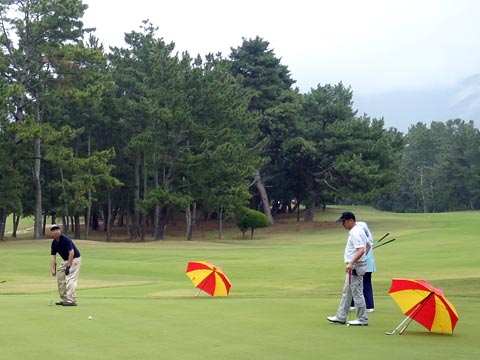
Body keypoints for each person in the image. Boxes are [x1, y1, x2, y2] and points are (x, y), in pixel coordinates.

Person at [327, 211, 369, 326]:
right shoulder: (359, 230)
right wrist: (361, 258)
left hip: (355, 267)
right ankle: (341, 317)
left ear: (351, 221)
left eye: (344, 222)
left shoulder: (355, 232)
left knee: (357, 293)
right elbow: (368, 246)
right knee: (347, 292)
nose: (343, 225)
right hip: (357, 265)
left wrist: (351, 262)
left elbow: (361, 249)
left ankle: (362, 319)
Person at [50, 224, 82, 306]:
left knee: (70, 278)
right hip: (65, 260)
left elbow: (71, 253)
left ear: (60, 231)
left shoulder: (65, 239)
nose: (55, 231)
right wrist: (53, 269)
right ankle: (65, 298)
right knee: (60, 277)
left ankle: (71, 300)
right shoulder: (54, 243)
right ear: (51, 233)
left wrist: (69, 266)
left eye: (57, 229)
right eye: (53, 230)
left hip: (75, 259)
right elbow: (53, 257)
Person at [350, 221, 376, 312]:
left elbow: (361, 252)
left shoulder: (361, 238)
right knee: (365, 284)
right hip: (369, 266)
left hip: (362, 264)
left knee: (355, 283)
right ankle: (369, 306)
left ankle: (353, 304)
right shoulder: (368, 238)